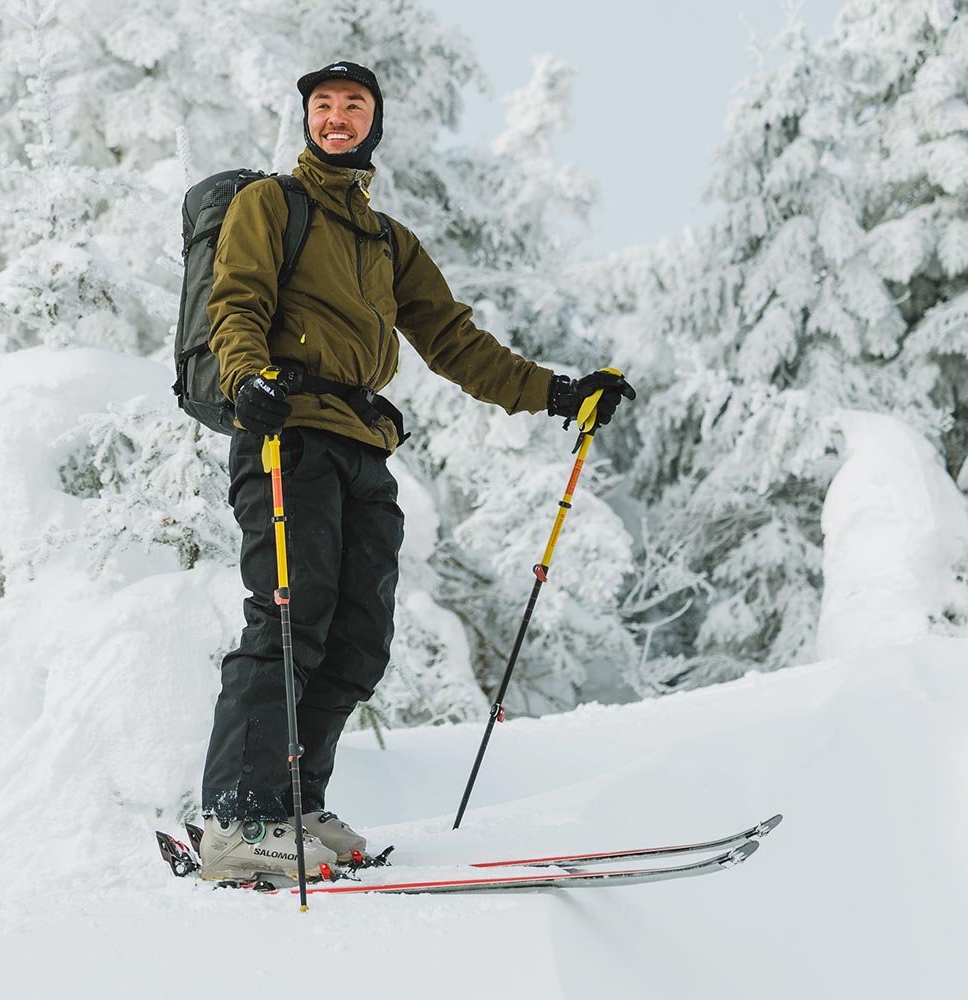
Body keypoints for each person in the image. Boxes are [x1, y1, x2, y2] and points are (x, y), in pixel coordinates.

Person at [194, 60, 636, 882]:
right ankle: (237, 820)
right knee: (289, 621)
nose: (336, 117)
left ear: (374, 122)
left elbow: (457, 344)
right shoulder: (271, 205)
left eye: (352, 105)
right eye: (322, 105)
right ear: (306, 120)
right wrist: (247, 378)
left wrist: (558, 393)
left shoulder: (389, 241)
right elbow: (237, 302)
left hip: (363, 444)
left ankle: (292, 804)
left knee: (357, 638)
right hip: (284, 431)